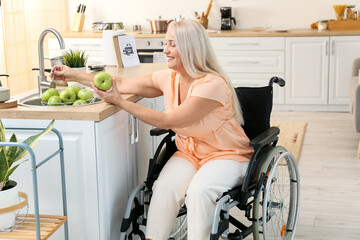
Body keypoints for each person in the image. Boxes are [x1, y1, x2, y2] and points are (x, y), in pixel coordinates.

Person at [51, 19, 254, 240]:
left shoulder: (212, 85)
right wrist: (73, 75)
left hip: (226, 155)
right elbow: (118, 83)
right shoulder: (170, 77)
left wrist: (121, 102)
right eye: (165, 43)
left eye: (172, 44)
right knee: (164, 188)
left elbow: (168, 121)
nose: (165, 50)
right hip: (189, 152)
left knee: (199, 192)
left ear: (190, 48)